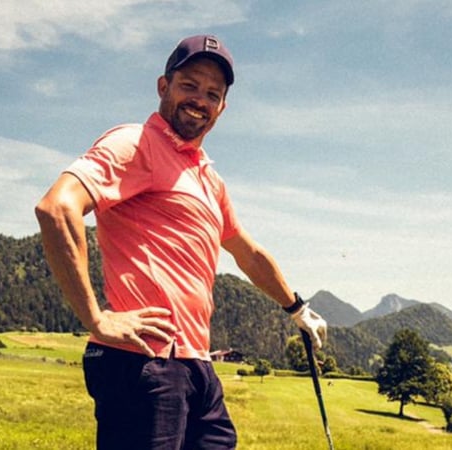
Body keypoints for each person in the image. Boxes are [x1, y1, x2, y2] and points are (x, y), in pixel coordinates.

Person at [35, 34, 328, 450]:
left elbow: (247, 252)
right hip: (142, 362)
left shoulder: (208, 178)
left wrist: (298, 309)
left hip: (195, 363)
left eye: (213, 93)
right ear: (163, 86)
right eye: (189, 85)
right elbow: (56, 208)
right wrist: (97, 318)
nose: (200, 99)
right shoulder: (135, 143)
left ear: (222, 108)